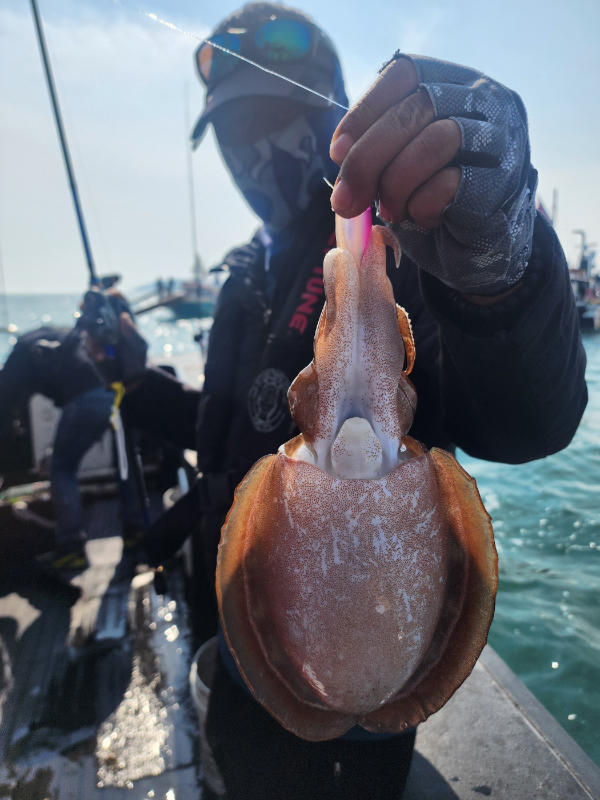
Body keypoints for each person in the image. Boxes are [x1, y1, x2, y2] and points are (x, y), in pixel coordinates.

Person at [158, 3, 587, 797]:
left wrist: (501, 270)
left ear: (327, 113)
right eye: (233, 134)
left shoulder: (405, 252)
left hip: (369, 661)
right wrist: (166, 418)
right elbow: (246, 421)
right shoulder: (247, 273)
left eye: (271, 120)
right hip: (244, 635)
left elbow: (529, 419)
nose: (252, 152)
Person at [0, 290, 149, 571]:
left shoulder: (24, 348)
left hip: (86, 401)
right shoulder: (69, 335)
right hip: (115, 394)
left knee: (62, 468)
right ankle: (135, 531)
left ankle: (71, 547)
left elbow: (5, 399)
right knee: (126, 461)